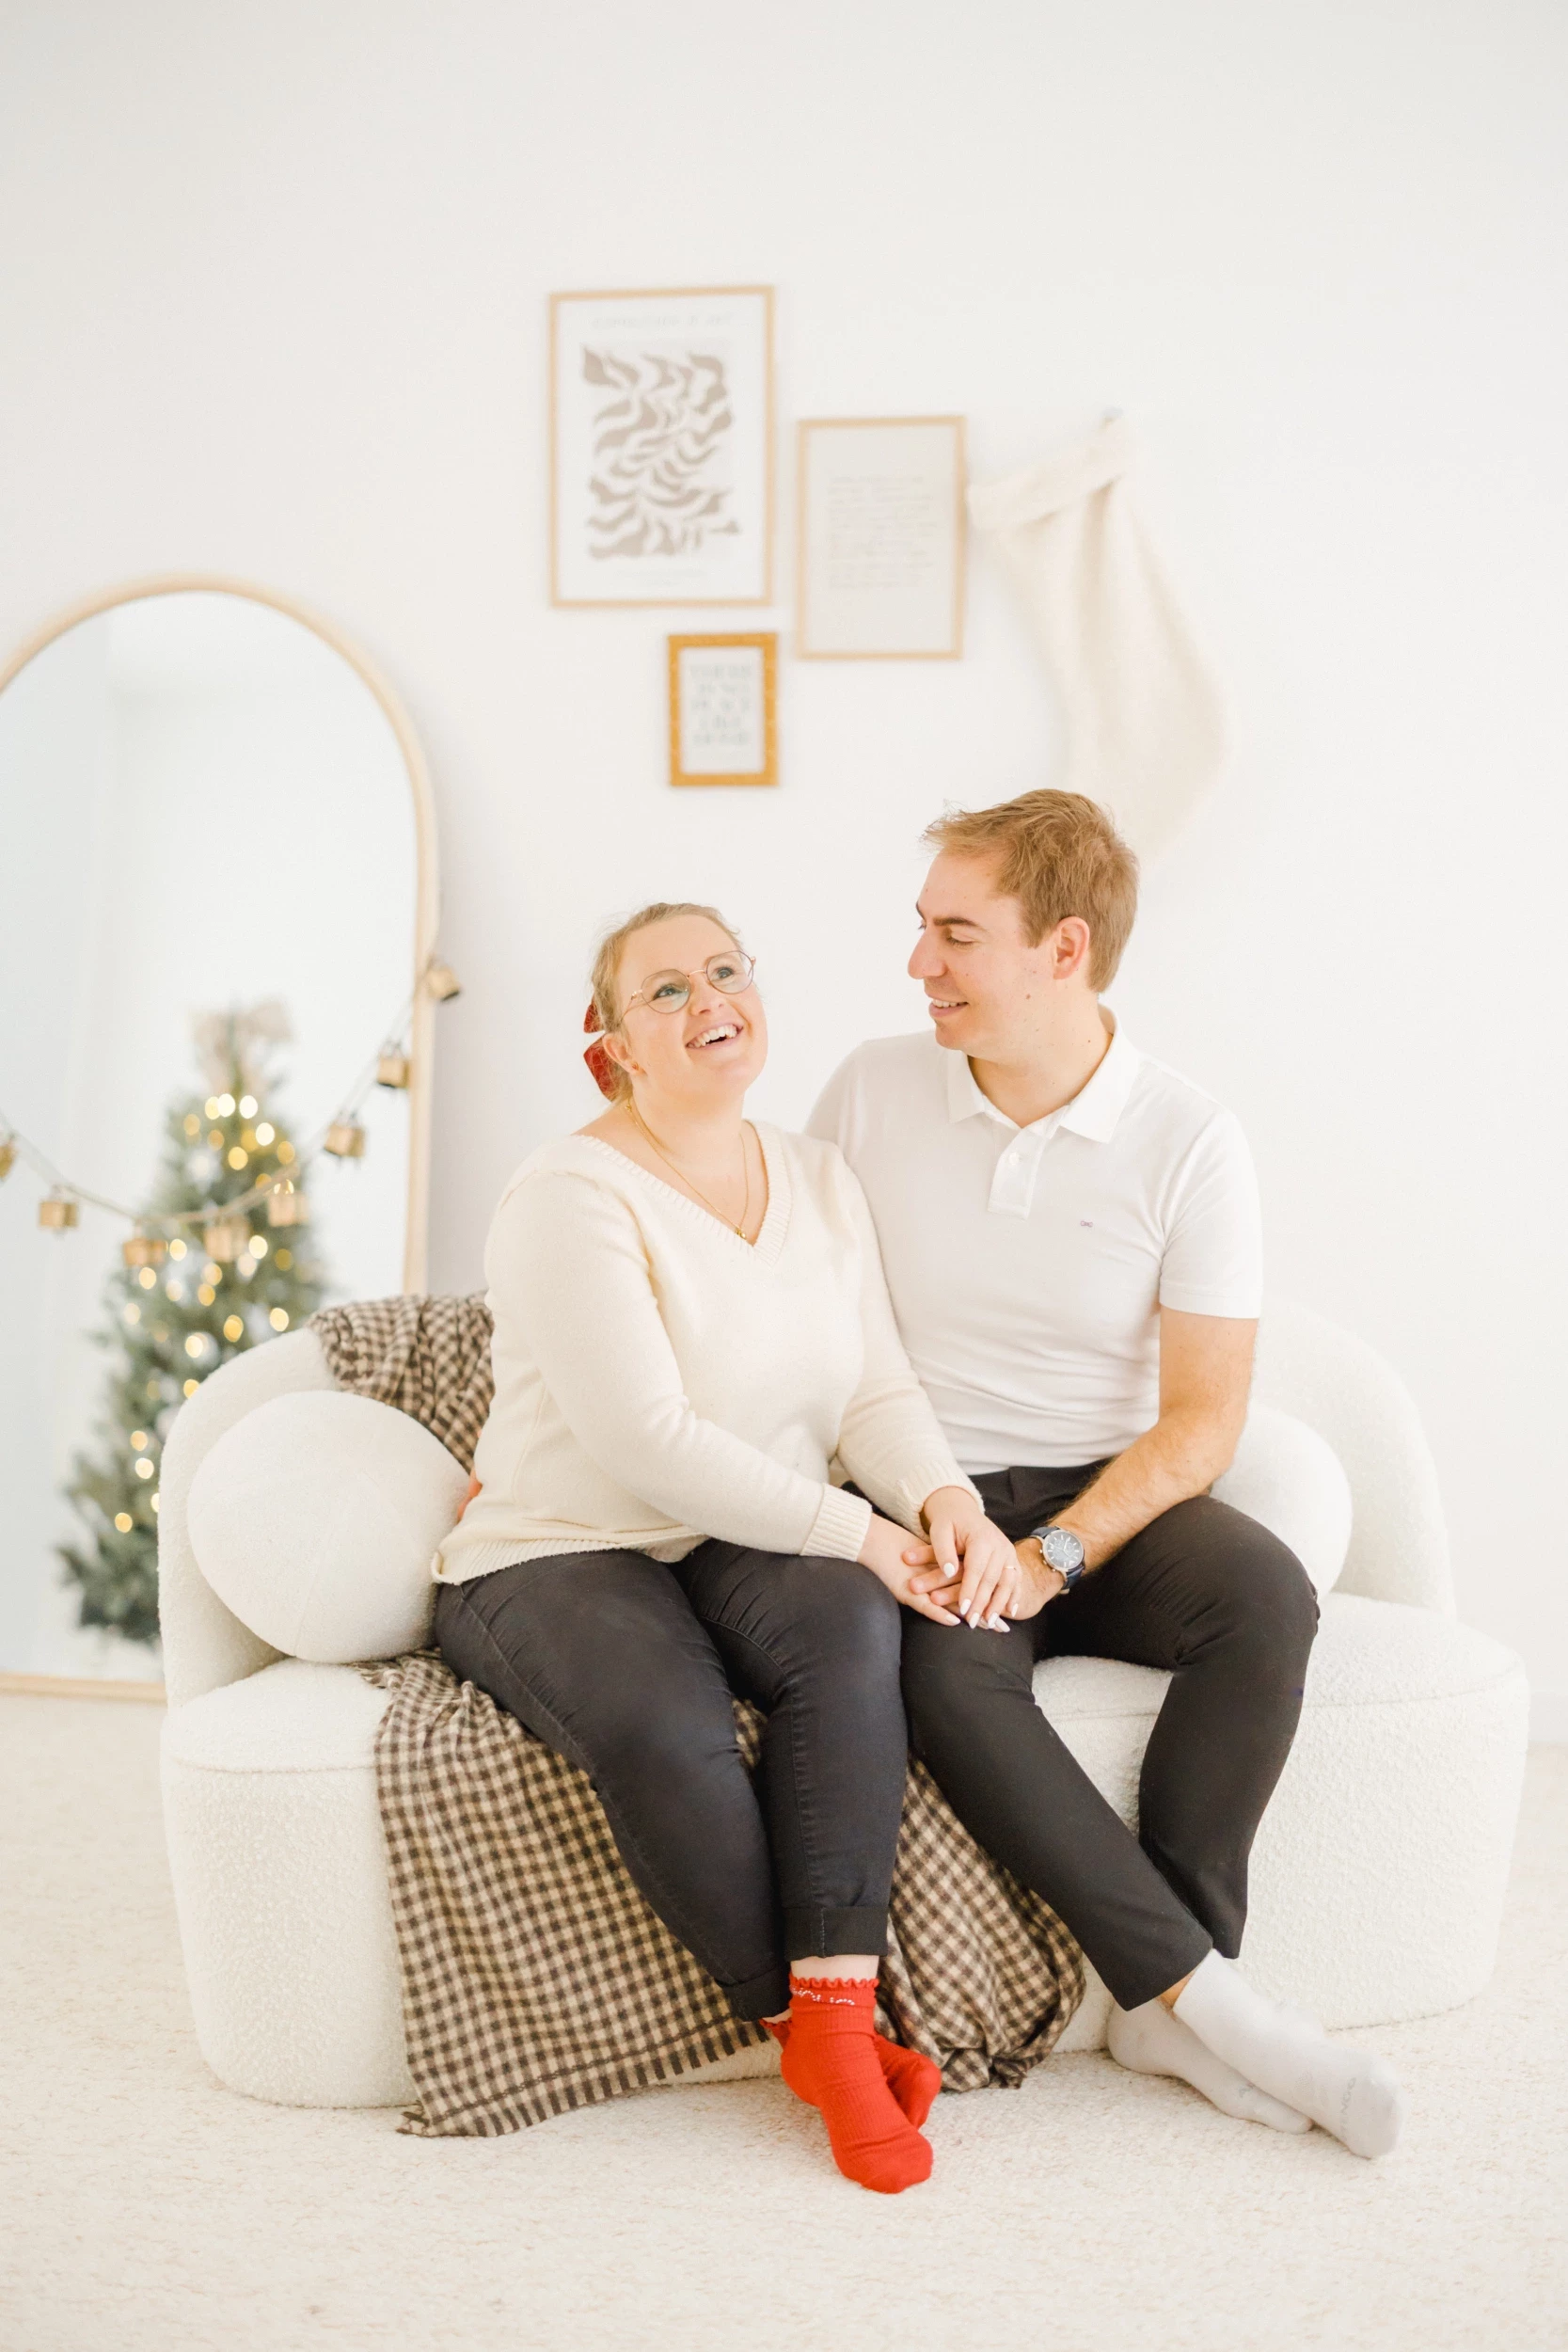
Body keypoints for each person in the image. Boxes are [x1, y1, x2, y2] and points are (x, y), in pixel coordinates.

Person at [810, 789, 1408, 2159]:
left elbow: (1201, 1422)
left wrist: (1057, 1556)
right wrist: (935, 1523)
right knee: (952, 1671)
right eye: (921, 929)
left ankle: (1178, 1977)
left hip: (1105, 1492)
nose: (918, 965)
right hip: (926, 1485)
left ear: (1061, 951)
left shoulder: (1190, 1138)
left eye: (955, 935)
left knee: (1261, 1599)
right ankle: (1206, 2000)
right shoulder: (867, 1089)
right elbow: (796, 1306)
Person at [434, 898, 1022, 2196]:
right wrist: (857, 1531)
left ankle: (831, 2013)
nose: (709, 1000)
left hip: (730, 1528)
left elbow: (871, 1389)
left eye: (725, 971)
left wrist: (945, 1504)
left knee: (847, 1634)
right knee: (664, 1718)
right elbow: (643, 1439)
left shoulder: (815, 1175)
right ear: (614, 1046)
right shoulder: (568, 1193)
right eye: (663, 990)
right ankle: (809, 2040)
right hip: (556, 1542)